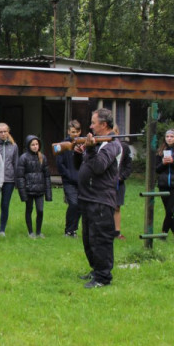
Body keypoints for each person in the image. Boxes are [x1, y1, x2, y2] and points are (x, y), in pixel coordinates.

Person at [77, 108, 121, 288]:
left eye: (94, 123)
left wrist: (91, 149)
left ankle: (103, 278)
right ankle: (96, 270)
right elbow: (88, 164)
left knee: (100, 240)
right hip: (88, 198)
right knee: (89, 239)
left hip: (101, 200)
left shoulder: (112, 144)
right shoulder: (97, 143)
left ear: (103, 125)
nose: (90, 126)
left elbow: (99, 167)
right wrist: (84, 151)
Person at [16, 135, 52, 238]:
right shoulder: (23, 158)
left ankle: (39, 231)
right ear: (28, 145)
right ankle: (30, 231)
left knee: (40, 210)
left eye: (37, 144)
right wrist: (23, 193)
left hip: (40, 190)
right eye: (33, 144)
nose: (35, 146)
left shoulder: (43, 157)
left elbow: (47, 176)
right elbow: (20, 177)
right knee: (29, 210)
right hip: (28, 190)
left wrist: (48, 194)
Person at [56, 120, 82, 238]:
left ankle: (73, 230)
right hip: (68, 181)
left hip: (81, 181)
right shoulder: (62, 145)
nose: (75, 134)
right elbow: (59, 164)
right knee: (73, 204)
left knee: (80, 205)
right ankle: (68, 230)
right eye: (73, 132)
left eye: (77, 132)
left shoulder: (83, 144)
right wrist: (68, 175)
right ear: (68, 132)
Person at [0, 123, 19, 237]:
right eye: (0, 132)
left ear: (8, 132)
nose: (3, 134)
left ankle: (2, 229)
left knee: (5, 205)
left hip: (9, 180)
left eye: (5, 131)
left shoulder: (14, 146)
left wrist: (16, 180)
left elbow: (16, 163)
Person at [113, 126, 132, 240]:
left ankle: (117, 231)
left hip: (119, 182)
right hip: (106, 182)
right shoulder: (103, 146)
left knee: (117, 207)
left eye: (114, 132)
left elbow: (128, 166)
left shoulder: (124, 147)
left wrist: (121, 177)